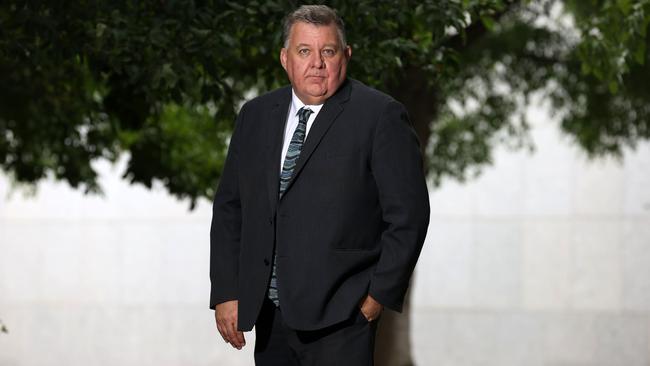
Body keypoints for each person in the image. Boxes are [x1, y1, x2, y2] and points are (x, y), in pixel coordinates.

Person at [209, 5, 430, 365]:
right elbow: (230, 208)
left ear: (346, 55)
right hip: (269, 315)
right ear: (285, 58)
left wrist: (376, 298)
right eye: (304, 51)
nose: (317, 63)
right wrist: (226, 291)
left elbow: (409, 216)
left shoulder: (380, 116)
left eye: (328, 51)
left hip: (343, 316)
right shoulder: (255, 116)